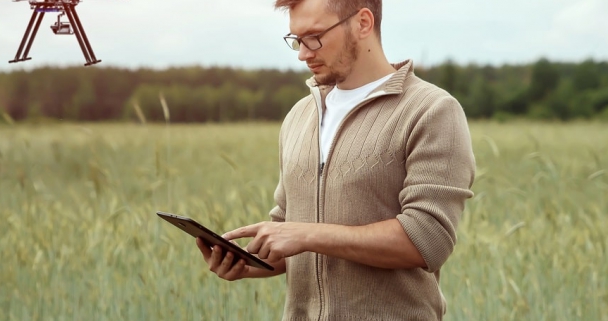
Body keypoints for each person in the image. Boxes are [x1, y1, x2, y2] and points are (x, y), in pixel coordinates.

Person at [195, 0, 476, 320]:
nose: (303, 53)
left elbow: (427, 239)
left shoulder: (431, 111)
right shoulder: (299, 117)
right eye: (296, 40)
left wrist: (306, 234)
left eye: (314, 36)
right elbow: (289, 238)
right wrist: (246, 262)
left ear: (363, 23)